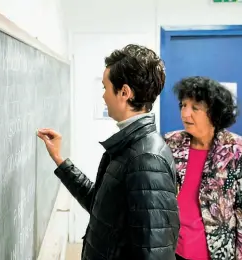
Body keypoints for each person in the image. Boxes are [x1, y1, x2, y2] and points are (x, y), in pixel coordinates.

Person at [37, 44, 179, 260]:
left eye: (105, 87)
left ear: (124, 93)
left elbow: (155, 254)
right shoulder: (130, 147)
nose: (103, 96)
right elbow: (101, 206)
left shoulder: (147, 160)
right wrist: (60, 160)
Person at [164, 76, 242, 260]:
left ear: (215, 113)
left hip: (216, 254)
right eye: (183, 105)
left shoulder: (241, 151)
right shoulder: (170, 143)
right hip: (172, 251)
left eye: (194, 108)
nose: (185, 114)